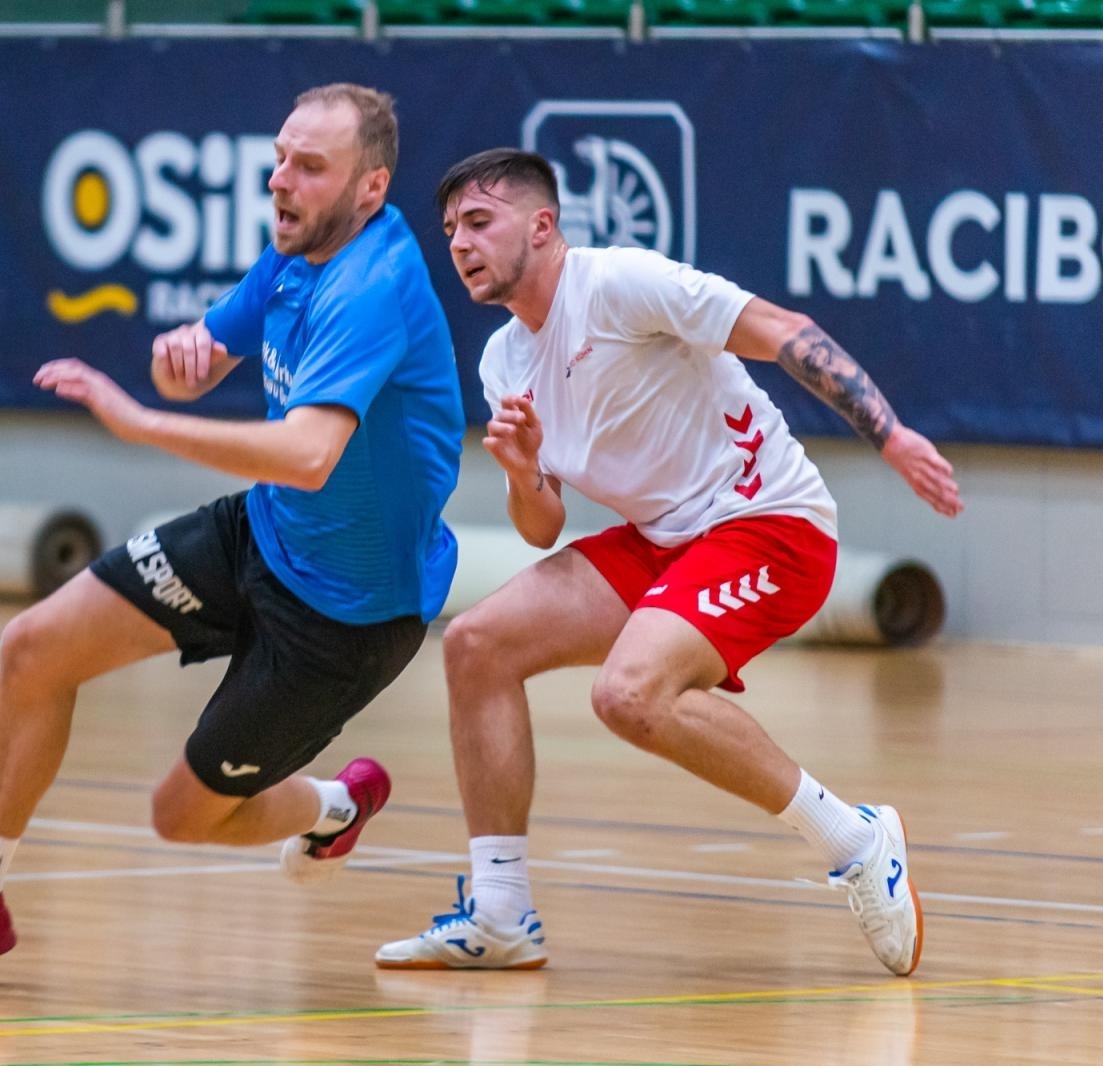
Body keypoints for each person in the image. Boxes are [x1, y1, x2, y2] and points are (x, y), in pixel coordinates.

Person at [0, 84, 465, 986]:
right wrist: (175, 365)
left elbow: (307, 454)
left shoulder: (372, 285)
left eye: (309, 167)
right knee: (33, 648)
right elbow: (200, 361)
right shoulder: (293, 252)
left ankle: (334, 806)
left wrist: (142, 422)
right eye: (279, 158)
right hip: (260, 534)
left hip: (347, 617)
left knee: (180, 816)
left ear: (370, 189)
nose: (280, 181)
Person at [375, 149, 962, 978]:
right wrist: (520, 472)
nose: (460, 245)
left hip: (770, 527)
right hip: (660, 541)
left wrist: (891, 435)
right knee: (476, 646)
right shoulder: (503, 359)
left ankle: (858, 841)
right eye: (450, 232)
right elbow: (539, 527)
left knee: (626, 695)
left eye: (479, 222)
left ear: (542, 227)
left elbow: (783, 330)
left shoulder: (618, 284)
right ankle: (502, 914)